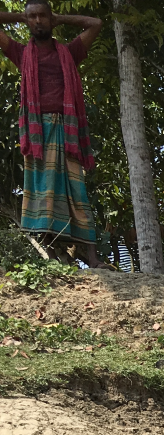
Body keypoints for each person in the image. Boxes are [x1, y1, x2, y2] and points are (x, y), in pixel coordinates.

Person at [0, 0, 101, 267]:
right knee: (41, 193)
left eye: (42, 16)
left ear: (50, 18)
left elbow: (96, 24)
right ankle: (56, 255)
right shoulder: (21, 53)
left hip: (67, 130)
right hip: (36, 134)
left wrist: (60, 18)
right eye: (32, 17)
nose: (37, 21)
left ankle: (92, 257)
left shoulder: (69, 52)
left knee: (76, 191)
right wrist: (20, 17)